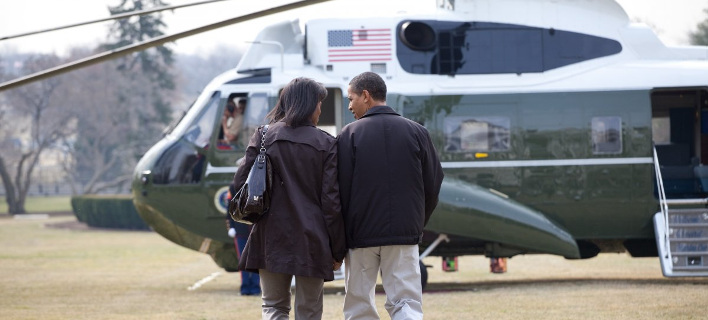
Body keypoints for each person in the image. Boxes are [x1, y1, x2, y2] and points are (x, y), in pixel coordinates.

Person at [232, 77, 346, 320]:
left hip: (269, 236)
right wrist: (338, 249)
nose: (320, 109)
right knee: (310, 311)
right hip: (313, 240)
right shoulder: (326, 143)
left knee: (273, 307)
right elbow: (331, 203)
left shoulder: (263, 136)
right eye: (319, 103)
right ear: (309, 105)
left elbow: (240, 185)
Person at [337, 71, 444, 320]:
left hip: (360, 236)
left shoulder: (349, 135)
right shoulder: (418, 132)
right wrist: (417, 221)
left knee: (359, 305)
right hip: (404, 233)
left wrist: (341, 234)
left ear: (366, 95)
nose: (350, 105)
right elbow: (434, 183)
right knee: (405, 302)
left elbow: (340, 189)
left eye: (351, 98)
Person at [226, 208, 261, 295]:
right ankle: (245, 287)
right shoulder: (234, 193)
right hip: (241, 231)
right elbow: (230, 209)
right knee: (242, 260)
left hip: (257, 230)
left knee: (256, 260)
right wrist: (231, 226)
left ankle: (255, 287)